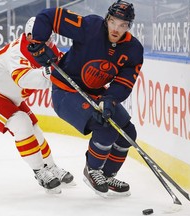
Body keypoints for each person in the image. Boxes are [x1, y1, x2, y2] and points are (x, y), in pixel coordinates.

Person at [28, 0, 143, 197]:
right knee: (105, 128)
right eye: (114, 22)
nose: (116, 29)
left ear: (128, 26)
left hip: (96, 93)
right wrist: (38, 43)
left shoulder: (133, 49)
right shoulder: (90, 27)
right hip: (66, 91)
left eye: (123, 25)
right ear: (107, 19)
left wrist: (110, 99)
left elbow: (125, 81)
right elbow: (49, 17)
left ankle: (106, 176)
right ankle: (92, 170)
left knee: (128, 133)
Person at [0, 17, 74, 194]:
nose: (47, 43)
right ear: (29, 36)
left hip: (8, 96)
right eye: (42, 38)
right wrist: (50, 76)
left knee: (35, 129)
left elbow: (65, 66)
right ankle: (40, 172)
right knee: (22, 123)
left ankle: (51, 167)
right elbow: (24, 79)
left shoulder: (47, 47)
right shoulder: (17, 52)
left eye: (49, 38)